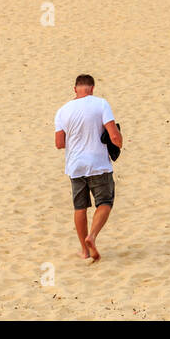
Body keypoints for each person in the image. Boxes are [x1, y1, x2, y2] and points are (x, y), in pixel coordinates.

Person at [54, 74, 122, 263]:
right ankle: (92, 236)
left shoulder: (62, 111)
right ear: (92, 88)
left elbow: (59, 143)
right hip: (98, 164)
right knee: (105, 202)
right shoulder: (101, 104)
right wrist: (120, 143)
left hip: (75, 166)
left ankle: (84, 251)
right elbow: (114, 136)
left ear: (75, 89)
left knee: (80, 207)